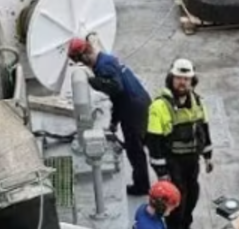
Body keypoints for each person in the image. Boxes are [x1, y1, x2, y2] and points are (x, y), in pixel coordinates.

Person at [67, 37, 151, 195]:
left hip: (133, 109)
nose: (82, 64)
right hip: (138, 103)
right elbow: (118, 98)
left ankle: (142, 186)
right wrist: (114, 122)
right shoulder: (107, 59)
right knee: (143, 143)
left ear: (85, 56)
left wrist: (92, 81)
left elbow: (116, 88)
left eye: (80, 61)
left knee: (135, 150)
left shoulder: (102, 66)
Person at [146, 58, 214, 229]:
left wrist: (208, 156)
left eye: (186, 79)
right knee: (176, 203)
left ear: (192, 81)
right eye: (178, 78)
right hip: (172, 163)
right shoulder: (159, 106)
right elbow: (153, 143)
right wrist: (162, 173)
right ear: (171, 79)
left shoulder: (197, 102)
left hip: (192, 161)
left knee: (192, 196)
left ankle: (186, 225)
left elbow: (204, 129)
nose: (182, 82)